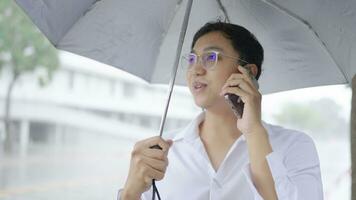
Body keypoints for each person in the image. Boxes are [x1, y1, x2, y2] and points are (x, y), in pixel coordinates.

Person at [118, 21, 323, 200]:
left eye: (211, 57)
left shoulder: (294, 146)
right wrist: (130, 193)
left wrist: (254, 132)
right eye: (191, 59)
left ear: (248, 72)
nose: (196, 70)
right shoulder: (160, 153)